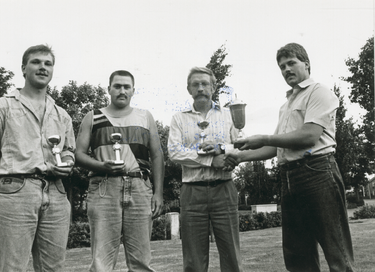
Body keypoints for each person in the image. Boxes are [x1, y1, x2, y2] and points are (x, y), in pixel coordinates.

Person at [226, 43, 355, 272]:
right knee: (298, 258)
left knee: (338, 256)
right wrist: (241, 156)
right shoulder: (286, 105)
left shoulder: (319, 92)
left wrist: (263, 137)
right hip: (289, 179)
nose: (286, 69)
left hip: (317, 173)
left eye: (291, 63)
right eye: (282, 66)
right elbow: (278, 149)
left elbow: (308, 136)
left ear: (306, 64)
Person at [0, 44, 75, 271]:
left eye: (48, 63)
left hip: (57, 194)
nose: (43, 67)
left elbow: (69, 151)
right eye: (36, 62)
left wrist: (67, 163)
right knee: (10, 267)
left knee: (53, 268)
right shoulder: (0, 108)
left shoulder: (62, 114)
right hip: (15, 192)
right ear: (23, 68)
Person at [75, 70, 164, 272]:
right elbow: (78, 154)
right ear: (109, 89)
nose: (122, 90)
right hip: (104, 187)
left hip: (140, 187)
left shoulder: (145, 116)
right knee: (101, 263)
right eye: (117, 86)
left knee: (141, 261)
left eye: (126, 87)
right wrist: (101, 166)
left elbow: (157, 156)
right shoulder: (93, 117)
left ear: (133, 90)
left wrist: (158, 193)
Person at [167, 67, 243, 272]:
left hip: (224, 188)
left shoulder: (229, 115)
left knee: (231, 256)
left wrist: (222, 149)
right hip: (192, 191)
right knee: (193, 260)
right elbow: (174, 152)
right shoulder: (179, 119)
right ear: (188, 89)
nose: (200, 88)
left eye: (204, 83)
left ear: (213, 87)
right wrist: (211, 161)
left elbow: (241, 145)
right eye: (195, 84)